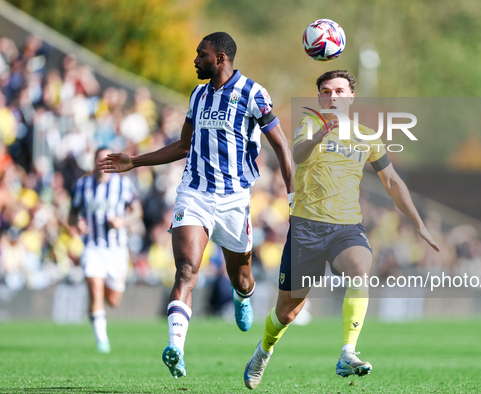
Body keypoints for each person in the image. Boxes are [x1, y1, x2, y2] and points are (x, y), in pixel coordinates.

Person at [99, 32, 292, 378]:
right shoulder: (199, 94)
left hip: (235, 199)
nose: (194, 60)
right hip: (195, 193)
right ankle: (176, 347)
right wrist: (136, 161)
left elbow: (281, 147)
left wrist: (292, 197)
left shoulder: (253, 94)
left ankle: (241, 295)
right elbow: (183, 146)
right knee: (187, 270)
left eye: (200, 54)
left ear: (220, 58)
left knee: (243, 278)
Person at [243, 70, 440, 389]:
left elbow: (391, 181)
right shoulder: (309, 124)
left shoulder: (367, 135)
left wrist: (418, 224)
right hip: (306, 228)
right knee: (287, 313)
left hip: (346, 227)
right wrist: (320, 137)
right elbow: (297, 154)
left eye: (338, 91)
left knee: (361, 269)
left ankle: (348, 351)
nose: (332, 96)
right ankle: (264, 350)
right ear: (319, 97)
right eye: (325, 91)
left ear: (350, 97)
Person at [69, 147, 143, 353]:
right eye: (99, 160)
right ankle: (102, 340)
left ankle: (97, 311)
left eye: (107, 160)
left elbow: (137, 212)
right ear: (93, 161)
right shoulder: (82, 185)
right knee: (95, 287)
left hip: (117, 250)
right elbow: (72, 213)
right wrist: (78, 224)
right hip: (92, 246)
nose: (103, 164)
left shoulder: (123, 184)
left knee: (113, 300)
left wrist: (123, 221)